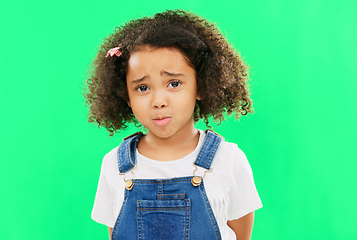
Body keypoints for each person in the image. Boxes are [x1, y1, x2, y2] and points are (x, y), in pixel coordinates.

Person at [83, 9, 262, 240]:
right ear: (126, 96)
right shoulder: (114, 166)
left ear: (201, 85)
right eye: (142, 88)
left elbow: (242, 235)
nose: (158, 101)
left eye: (174, 83)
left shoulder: (228, 160)